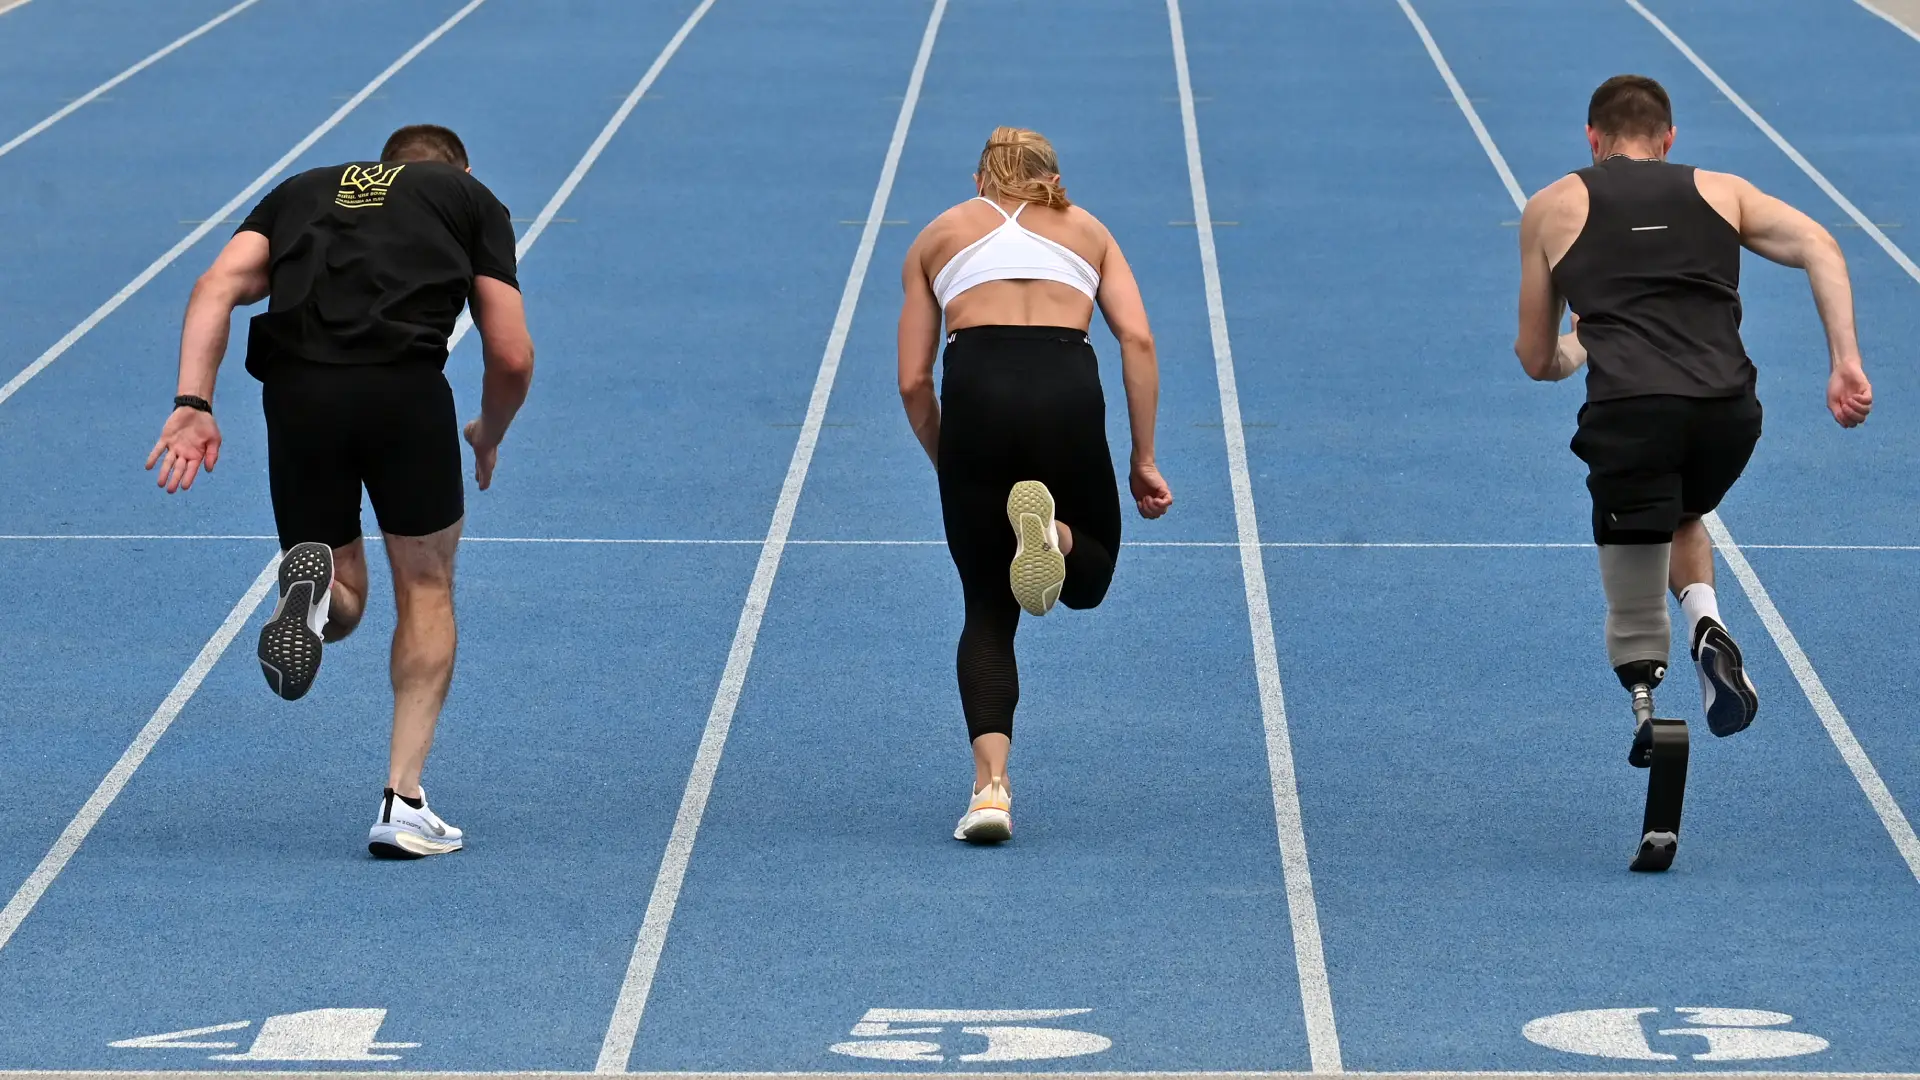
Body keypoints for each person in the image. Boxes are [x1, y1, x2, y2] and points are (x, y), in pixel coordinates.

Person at [145, 124, 535, 858]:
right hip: (401, 391)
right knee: (425, 584)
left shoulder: (302, 189)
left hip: (297, 395)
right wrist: (491, 430)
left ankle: (316, 600)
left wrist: (193, 404)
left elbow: (216, 286)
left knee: (344, 584)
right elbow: (510, 353)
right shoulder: (469, 198)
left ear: (382, 167)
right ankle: (403, 802)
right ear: (464, 170)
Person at [1514, 76, 1872, 757]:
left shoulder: (1551, 205)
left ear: (1593, 140)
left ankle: (1646, 708)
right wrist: (1844, 361)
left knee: (1634, 601)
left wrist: (1584, 336)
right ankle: (1709, 622)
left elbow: (1537, 357)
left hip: (1630, 413)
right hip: (1728, 413)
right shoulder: (1724, 190)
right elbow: (1820, 245)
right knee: (1682, 511)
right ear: (1670, 138)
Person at [898, 126, 1173, 844]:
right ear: (1053, 176)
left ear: (981, 179)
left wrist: (948, 457)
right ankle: (1051, 533)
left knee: (989, 608)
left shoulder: (936, 236)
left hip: (978, 393)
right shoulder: (1090, 232)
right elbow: (1137, 342)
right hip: (1065, 387)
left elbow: (913, 380)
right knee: (1088, 579)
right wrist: (1143, 457)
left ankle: (991, 792)